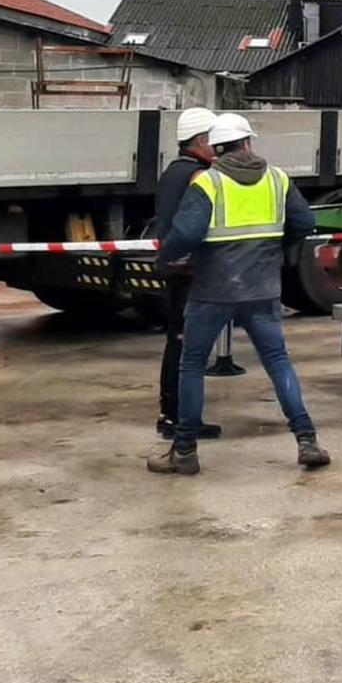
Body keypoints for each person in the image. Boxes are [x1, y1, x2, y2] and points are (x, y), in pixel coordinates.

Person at [147, 112, 330, 475]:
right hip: (262, 290)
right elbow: (306, 223)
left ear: (215, 148)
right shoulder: (277, 179)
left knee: (192, 364)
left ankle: (184, 451)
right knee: (278, 362)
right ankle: (307, 439)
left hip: (212, 291)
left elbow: (185, 235)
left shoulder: (208, 183)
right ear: (248, 143)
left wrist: (165, 259)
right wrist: (275, 249)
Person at [149, 107, 222, 442]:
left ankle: (171, 414)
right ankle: (178, 419)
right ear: (203, 140)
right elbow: (196, 226)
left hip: (172, 265)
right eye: (215, 141)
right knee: (185, 345)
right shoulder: (198, 176)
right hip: (188, 269)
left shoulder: (172, 171)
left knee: (176, 340)